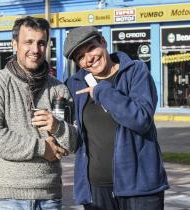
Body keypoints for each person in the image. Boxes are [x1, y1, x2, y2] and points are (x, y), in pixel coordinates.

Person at [0, 16, 77, 210]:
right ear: (14, 44)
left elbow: (72, 143)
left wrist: (58, 127)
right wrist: (40, 148)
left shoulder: (59, 89)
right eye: (28, 42)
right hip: (6, 198)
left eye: (41, 43)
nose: (35, 49)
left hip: (49, 197)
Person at [64, 26, 169, 210]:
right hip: (96, 191)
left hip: (140, 190)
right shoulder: (75, 84)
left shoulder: (135, 71)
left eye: (91, 48)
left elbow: (141, 119)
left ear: (103, 42)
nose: (89, 58)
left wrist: (102, 91)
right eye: (80, 57)